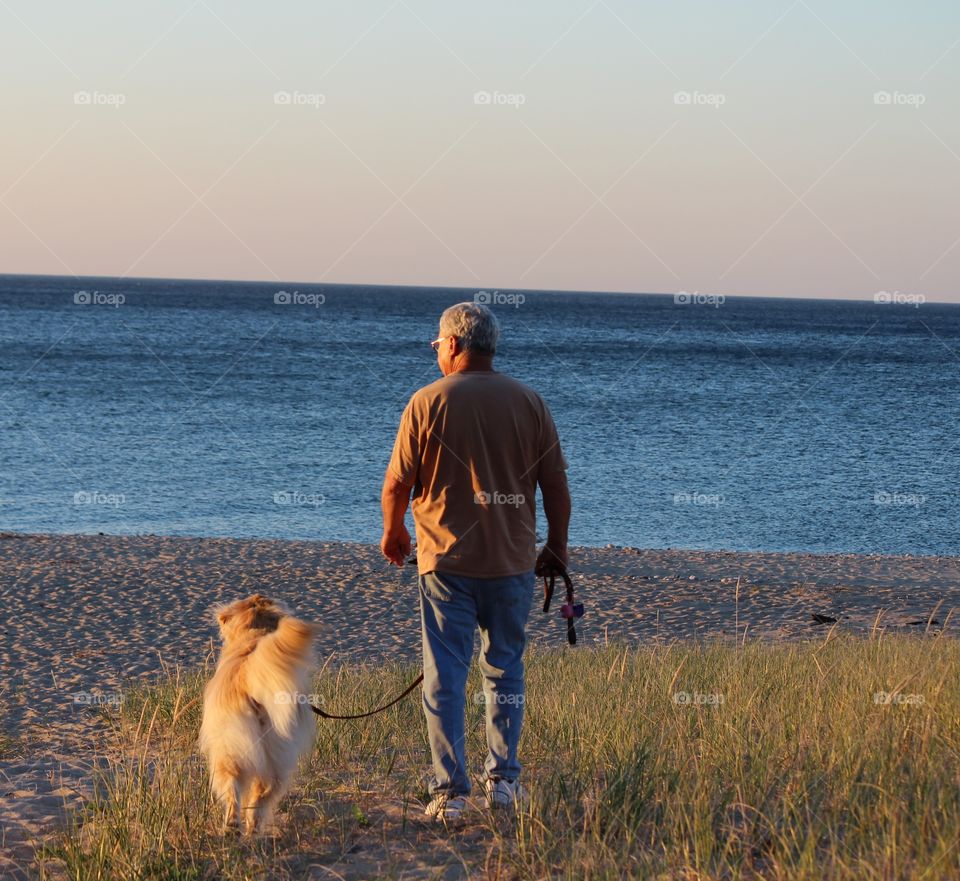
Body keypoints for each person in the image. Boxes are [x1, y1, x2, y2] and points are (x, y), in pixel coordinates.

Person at [380, 301, 571, 823]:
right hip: (511, 562)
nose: (437, 351)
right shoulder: (529, 401)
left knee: (445, 675)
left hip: (446, 561)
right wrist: (557, 544)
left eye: (438, 343)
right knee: (505, 672)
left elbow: (398, 482)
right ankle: (504, 782)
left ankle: (451, 792)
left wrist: (392, 531)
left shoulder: (427, 401)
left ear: (457, 345)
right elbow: (553, 483)